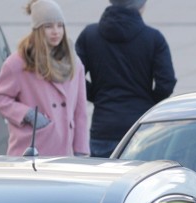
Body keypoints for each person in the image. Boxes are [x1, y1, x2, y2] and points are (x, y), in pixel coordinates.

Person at [75, 0, 177, 158]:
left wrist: (97, 95)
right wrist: (146, 101)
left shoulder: (90, 35)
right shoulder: (154, 38)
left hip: (104, 125)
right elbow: (166, 83)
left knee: (103, 180)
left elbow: (74, 77)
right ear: (141, 6)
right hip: (141, 127)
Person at [0, 0, 89, 157]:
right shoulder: (19, 62)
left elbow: (80, 111)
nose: (56, 31)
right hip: (31, 150)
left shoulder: (74, 63)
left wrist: (81, 151)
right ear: (37, 29)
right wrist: (29, 115)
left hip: (65, 153)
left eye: (60, 25)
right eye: (48, 26)